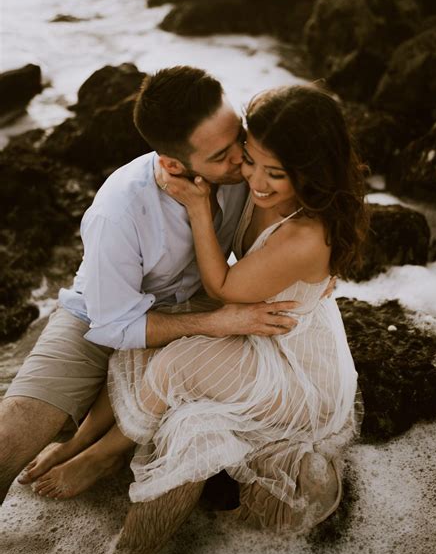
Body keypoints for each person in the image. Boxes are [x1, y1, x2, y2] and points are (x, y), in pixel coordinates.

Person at [25, 83, 368, 548]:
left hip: (297, 367)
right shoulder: (254, 186)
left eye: (277, 174)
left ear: (312, 172)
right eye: (249, 159)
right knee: (153, 336)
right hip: (256, 326)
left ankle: (103, 457)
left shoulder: (306, 234)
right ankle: (79, 441)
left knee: (177, 368)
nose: (258, 181)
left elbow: (221, 287)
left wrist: (199, 207)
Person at [0, 66, 300, 503]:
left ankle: (100, 450)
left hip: (201, 301)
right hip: (103, 313)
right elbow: (115, 326)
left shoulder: (250, 165)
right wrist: (216, 323)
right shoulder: (119, 210)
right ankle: (84, 437)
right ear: (173, 164)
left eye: (240, 135)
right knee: (15, 430)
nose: (241, 158)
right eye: (221, 156)